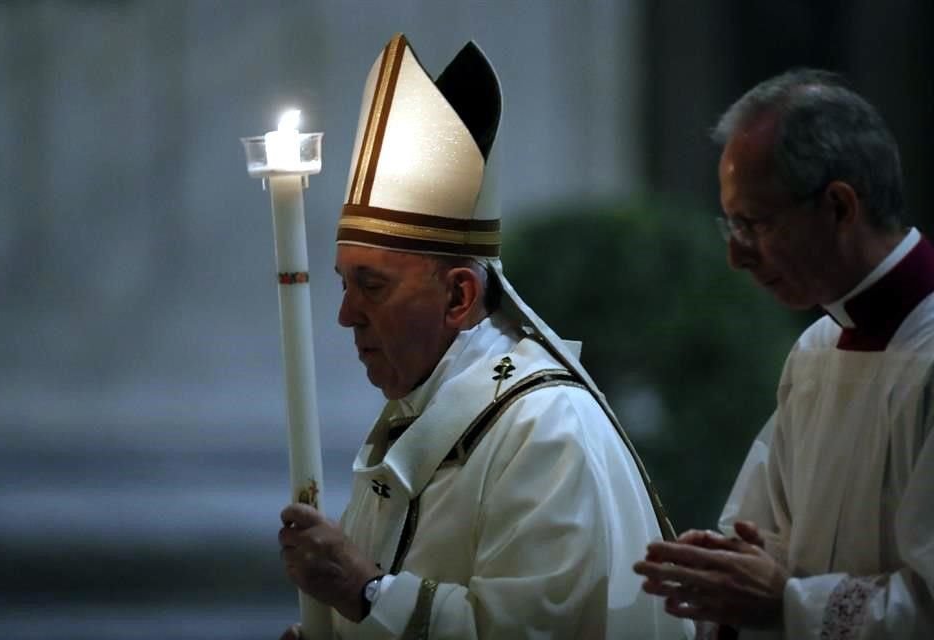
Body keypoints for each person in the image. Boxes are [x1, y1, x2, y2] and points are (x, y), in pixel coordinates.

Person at [276, 33, 692, 639]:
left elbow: (534, 632)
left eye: (372, 286)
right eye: (344, 284)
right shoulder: (419, 414)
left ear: (459, 297)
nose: (345, 316)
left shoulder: (546, 431)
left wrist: (363, 592)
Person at [633, 68, 934, 638]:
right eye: (731, 224)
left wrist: (784, 603)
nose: (736, 256)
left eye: (753, 224)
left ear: (840, 207)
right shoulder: (817, 349)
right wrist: (725, 570)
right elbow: (761, 531)